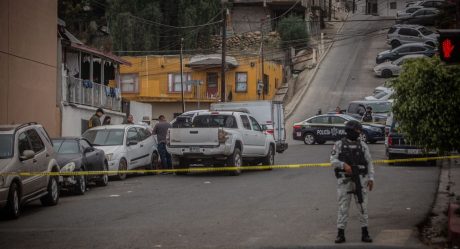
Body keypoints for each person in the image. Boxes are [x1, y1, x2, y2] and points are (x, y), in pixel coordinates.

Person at [330, 120, 374, 244]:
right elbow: (333, 160)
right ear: (350, 130)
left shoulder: (363, 145)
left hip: (361, 180)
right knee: (343, 207)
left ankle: (365, 233)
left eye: (359, 131)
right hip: (345, 181)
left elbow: (369, 162)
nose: (359, 133)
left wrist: (371, 178)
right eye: (357, 131)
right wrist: (344, 165)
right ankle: (340, 234)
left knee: (362, 206)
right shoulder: (339, 144)